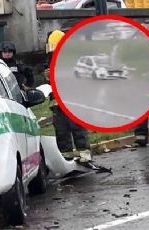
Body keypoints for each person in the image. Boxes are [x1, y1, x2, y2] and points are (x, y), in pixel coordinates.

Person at [45, 30, 92, 163]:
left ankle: (85, 154)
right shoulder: (50, 60)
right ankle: (66, 157)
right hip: (57, 104)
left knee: (77, 127)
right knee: (61, 130)